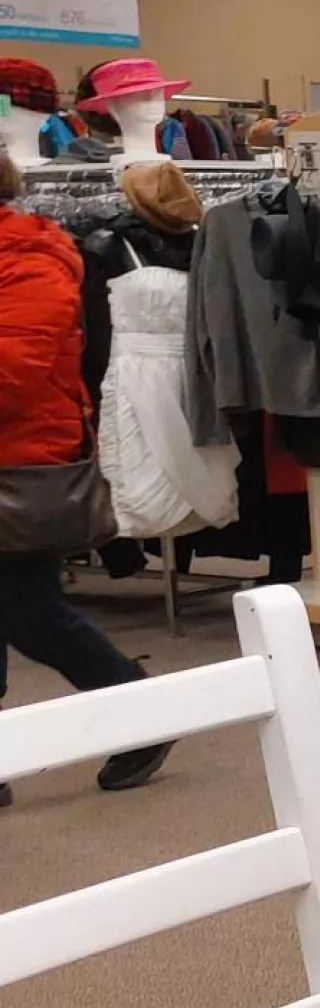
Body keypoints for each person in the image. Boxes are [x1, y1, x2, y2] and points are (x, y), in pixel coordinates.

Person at [0, 150, 171, 807]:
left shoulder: (33, 259)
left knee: (28, 610)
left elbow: (13, 372)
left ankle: (140, 708)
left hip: (21, 464)